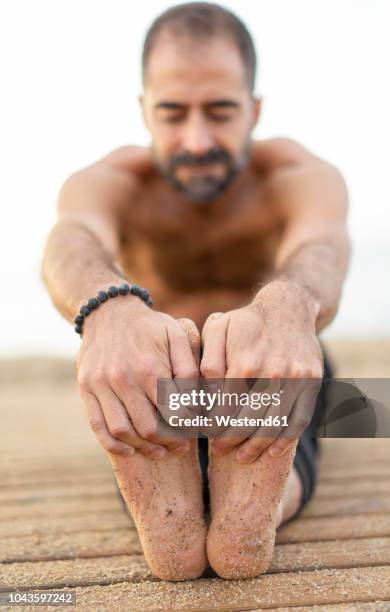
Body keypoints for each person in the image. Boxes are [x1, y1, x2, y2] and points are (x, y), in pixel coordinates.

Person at [42, 2, 350, 581]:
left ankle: (246, 513)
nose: (198, 138)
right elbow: (70, 240)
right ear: (144, 111)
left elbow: (324, 246)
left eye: (221, 110)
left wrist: (289, 305)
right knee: (132, 403)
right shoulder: (113, 182)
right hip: (157, 375)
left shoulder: (296, 176)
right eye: (173, 112)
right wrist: (108, 310)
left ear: (255, 109)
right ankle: (187, 508)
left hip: (270, 369)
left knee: (300, 391)